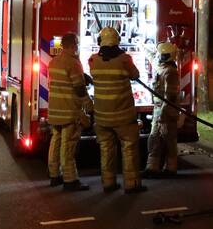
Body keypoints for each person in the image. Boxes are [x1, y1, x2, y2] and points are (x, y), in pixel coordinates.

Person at [88, 26, 146, 193]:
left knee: (106, 149)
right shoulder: (125, 59)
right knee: (129, 148)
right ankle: (132, 183)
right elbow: (135, 75)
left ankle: (108, 183)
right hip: (123, 116)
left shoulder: (93, 61)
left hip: (102, 117)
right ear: (117, 42)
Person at [47, 32, 93, 191]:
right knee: (68, 147)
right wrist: (89, 105)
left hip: (55, 111)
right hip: (69, 112)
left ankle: (54, 176)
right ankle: (70, 180)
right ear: (73, 45)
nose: (78, 47)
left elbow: (64, 81)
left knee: (56, 143)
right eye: (77, 44)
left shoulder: (54, 62)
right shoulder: (73, 63)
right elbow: (79, 89)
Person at [144, 42, 180, 178]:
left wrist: (163, 117)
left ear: (167, 56)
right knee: (154, 139)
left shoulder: (170, 72)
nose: (159, 57)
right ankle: (151, 168)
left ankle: (171, 169)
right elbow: (152, 57)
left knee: (169, 140)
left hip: (167, 113)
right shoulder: (162, 67)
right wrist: (142, 45)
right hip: (159, 111)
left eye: (162, 55)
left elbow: (169, 98)